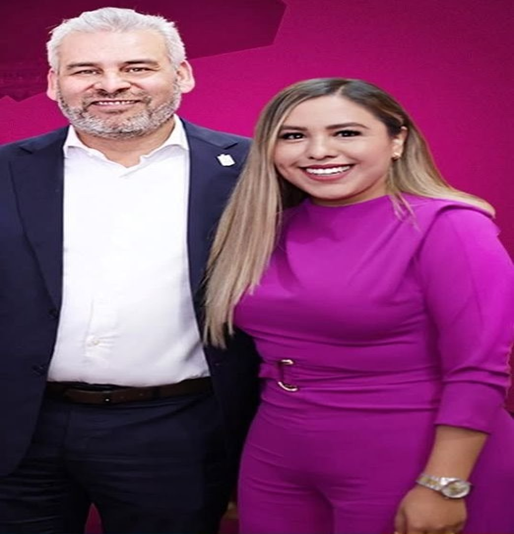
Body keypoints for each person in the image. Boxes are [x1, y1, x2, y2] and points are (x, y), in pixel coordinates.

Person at [205, 78, 514, 534]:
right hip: (276, 455)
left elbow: (479, 368)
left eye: (346, 133)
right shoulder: (263, 231)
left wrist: (444, 483)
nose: (318, 151)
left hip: (416, 454)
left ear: (397, 140)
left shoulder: (450, 226)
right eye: (294, 136)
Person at [0, 7, 259, 534]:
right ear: (53, 83)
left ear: (182, 74)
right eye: (86, 70)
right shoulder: (6, 169)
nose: (112, 84)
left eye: (137, 67)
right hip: (19, 428)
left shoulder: (253, 171)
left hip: (176, 433)